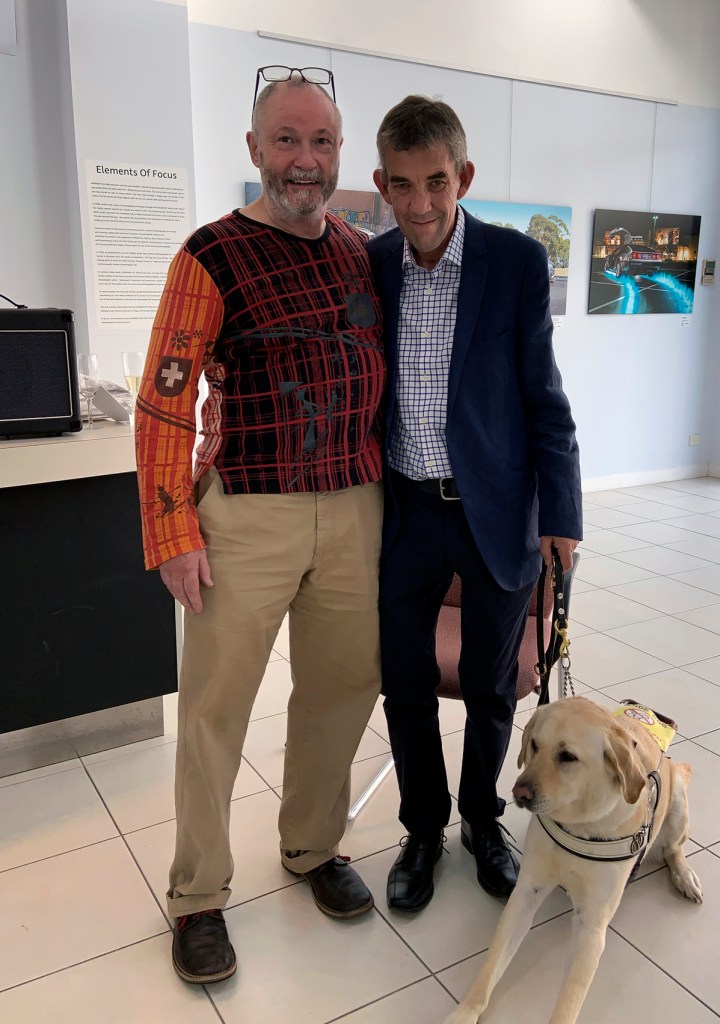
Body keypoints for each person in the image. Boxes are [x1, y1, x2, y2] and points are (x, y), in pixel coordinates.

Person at [134, 69, 386, 984]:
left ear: (339, 151)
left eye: (320, 141)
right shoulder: (210, 255)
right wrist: (172, 532)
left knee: (340, 691)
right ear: (253, 151)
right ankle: (199, 894)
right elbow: (164, 403)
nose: (304, 160)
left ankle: (313, 847)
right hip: (243, 513)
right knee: (213, 713)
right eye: (286, 140)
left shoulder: (362, 254)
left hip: (357, 508)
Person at [368, 95, 582, 913]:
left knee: (494, 687)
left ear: (463, 176)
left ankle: (482, 821)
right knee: (406, 683)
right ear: (381, 184)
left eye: (435, 183)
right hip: (405, 516)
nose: (420, 205)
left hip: (497, 516)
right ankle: (421, 829)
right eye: (402, 185)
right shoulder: (373, 264)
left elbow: (545, 403)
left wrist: (562, 514)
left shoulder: (516, 264)